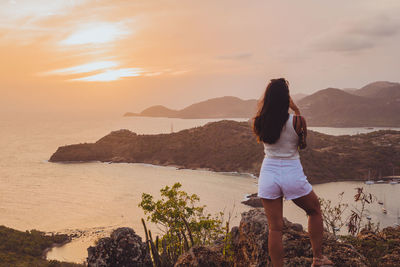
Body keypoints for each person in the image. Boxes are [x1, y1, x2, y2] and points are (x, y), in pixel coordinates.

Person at [253, 78, 333, 267]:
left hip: (268, 175)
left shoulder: (259, 121)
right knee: (314, 211)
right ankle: (318, 259)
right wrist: (296, 110)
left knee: (275, 229)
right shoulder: (297, 121)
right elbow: (302, 145)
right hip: (292, 173)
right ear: (286, 99)